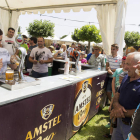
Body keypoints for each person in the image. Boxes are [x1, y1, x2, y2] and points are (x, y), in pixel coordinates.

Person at [110, 52, 140, 140]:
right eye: (125, 63)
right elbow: (118, 93)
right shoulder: (126, 77)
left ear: (138, 65)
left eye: (128, 64)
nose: (125, 67)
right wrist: (116, 105)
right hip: (119, 123)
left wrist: (119, 112)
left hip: (132, 128)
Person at [104, 56, 127, 138]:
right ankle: (111, 133)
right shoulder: (118, 71)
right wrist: (113, 93)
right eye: (123, 62)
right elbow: (113, 81)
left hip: (121, 101)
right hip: (115, 95)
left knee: (117, 118)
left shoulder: (128, 74)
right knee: (113, 116)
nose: (120, 80)